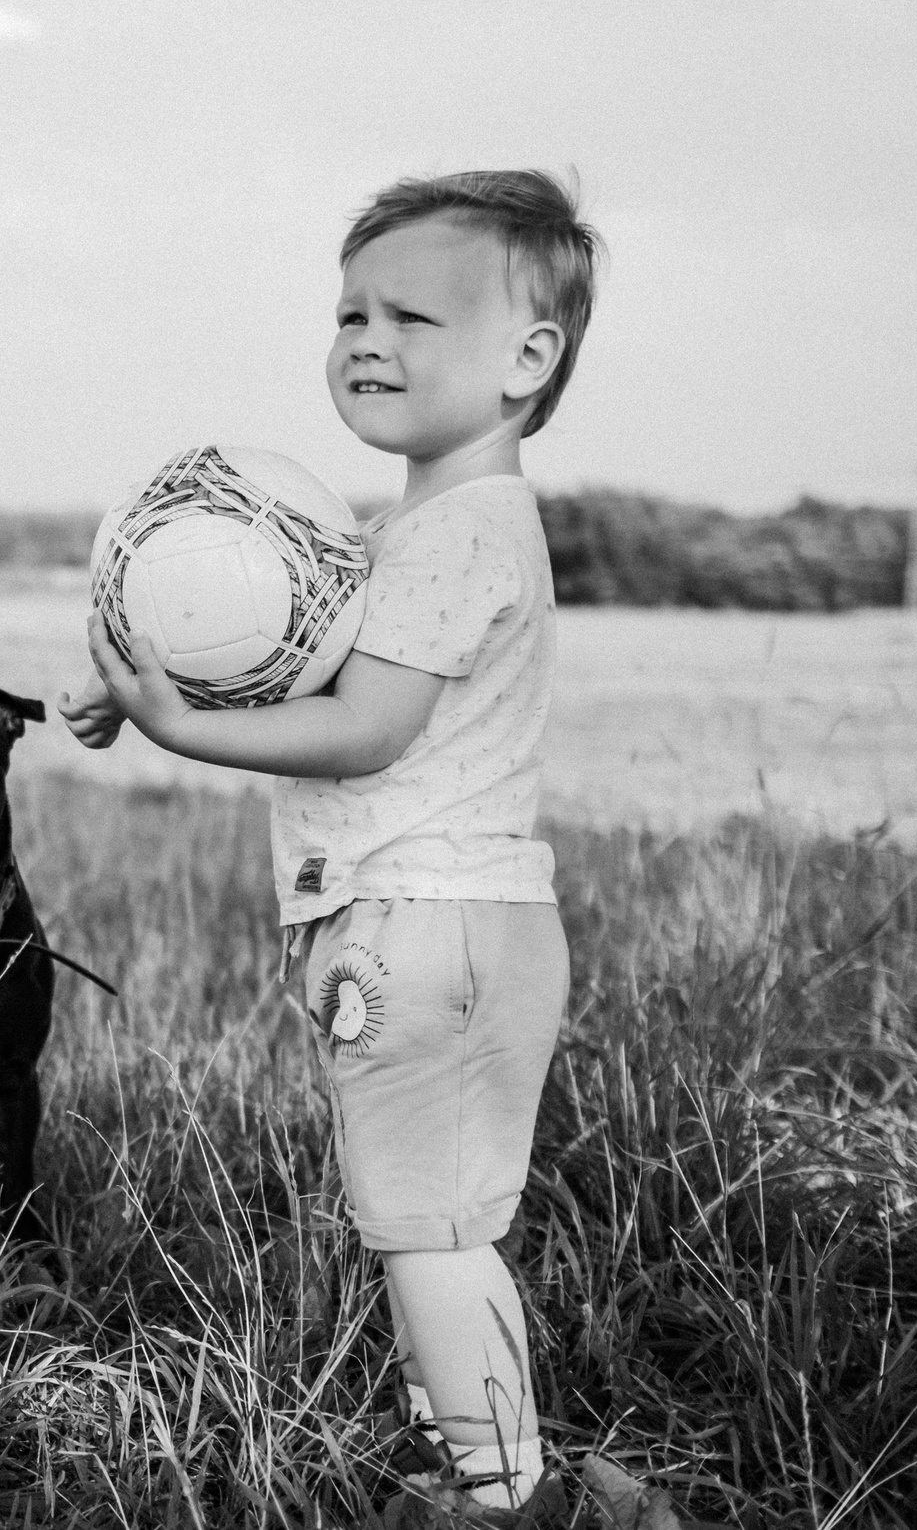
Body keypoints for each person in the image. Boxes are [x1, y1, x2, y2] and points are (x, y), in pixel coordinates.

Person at [60, 169, 600, 1514]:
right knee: (441, 1223)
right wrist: (156, 690)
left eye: (412, 317)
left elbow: (365, 726)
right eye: (350, 311)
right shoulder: (426, 530)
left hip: (429, 932)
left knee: (429, 1229)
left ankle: (495, 1492)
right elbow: (310, 670)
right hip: (430, 931)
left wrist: (183, 729)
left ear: (528, 358)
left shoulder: (453, 536)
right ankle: (478, 1440)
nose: (367, 339)